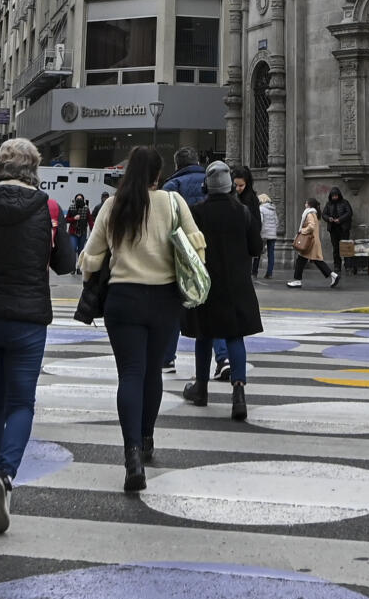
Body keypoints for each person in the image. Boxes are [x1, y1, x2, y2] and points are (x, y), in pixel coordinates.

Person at [0, 135, 74, 533]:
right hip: (27, 317)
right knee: (22, 401)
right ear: (34, 169)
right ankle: (5, 477)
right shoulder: (50, 207)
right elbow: (65, 264)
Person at [82, 146, 205, 491]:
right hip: (164, 299)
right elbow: (196, 245)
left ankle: (131, 453)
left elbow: (90, 259)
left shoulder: (113, 205)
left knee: (130, 375)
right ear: (158, 175)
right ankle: (148, 439)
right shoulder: (173, 203)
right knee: (152, 373)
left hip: (123, 299)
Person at [184, 161, 263, 419]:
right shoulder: (242, 212)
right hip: (237, 283)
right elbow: (256, 248)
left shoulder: (197, 212)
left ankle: (201, 389)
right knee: (235, 336)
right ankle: (238, 392)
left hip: (206, 282)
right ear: (230, 187)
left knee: (203, 335)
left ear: (207, 186)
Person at [289, 197, 335, 286]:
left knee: (302, 260)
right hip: (313, 241)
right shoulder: (315, 213)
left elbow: (311, 226)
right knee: (313, 261)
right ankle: (333, 275)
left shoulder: (309, 213)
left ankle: (297, 280)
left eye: (306, 203)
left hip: (309, 242)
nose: (305, 205)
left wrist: (302, 231)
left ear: (309, 204)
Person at [321, 185, 355, 277]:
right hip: (333, 229)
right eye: (333, 196)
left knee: (346, 247)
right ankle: (337, 266)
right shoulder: (329, 204)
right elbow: (324, 214)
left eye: (336, 195)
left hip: (343, 228)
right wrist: (329, 219)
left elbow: (349, 213)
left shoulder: (345, 202)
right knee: (336, 248)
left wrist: (340, 219)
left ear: (339, 195)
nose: (334, 197)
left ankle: (348, 266)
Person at [257, 190, 279, 277]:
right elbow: (277, 222)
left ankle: (254, 271)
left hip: (263, 234)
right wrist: (273, 229)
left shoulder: (261, 208)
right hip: (272, 234)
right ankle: (269, 273)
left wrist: (258, 231)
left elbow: (260, 221)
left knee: (257, 252)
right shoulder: (273, 209)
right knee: (271, 254)